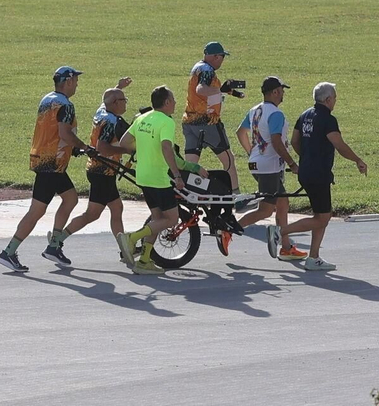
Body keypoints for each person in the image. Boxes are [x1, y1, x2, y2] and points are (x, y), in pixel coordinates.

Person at [0, 66, 96, 272]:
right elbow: (65, 134)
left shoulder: (47, 100)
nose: (77, 84)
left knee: (71, 198)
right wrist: (84, 147)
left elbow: (51, 132)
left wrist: (73, 149)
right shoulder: (66, 105)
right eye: (76, 80)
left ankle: (54, 246)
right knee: (37, 211)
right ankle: (8, 252)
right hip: (52, 164)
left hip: (46, 159)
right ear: (68, 82)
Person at [283, 81, 367, 271]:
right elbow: (339, 145)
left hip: (306, 170)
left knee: (322, 214)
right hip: (318, 173)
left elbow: (295, 141)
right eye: (335, 97)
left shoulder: (304, 115)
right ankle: (282, 232)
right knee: (322, 218)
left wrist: (306, 156)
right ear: (328, 99)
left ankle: (313, 257)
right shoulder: (328, 119)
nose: (335, 100)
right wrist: (357, 160)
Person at [60, 83, 137, 264]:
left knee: (117, 208)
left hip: (100, 171)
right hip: (101, 171)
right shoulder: (111, 121)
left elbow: (105, 100)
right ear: (114, 103)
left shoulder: (101, 111)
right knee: (92, 214)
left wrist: (118, 87)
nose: (125, 103)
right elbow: (103, 148)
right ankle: (57, 240)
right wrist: (125, 151)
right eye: (123, 100)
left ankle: (124, 250)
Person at [114, 86, 187, 275]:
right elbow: (166, 148)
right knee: (172, 218)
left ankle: (145, 261)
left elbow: (124, 142)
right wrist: (177, 175)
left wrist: (143, 147)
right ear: (167, 102)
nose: (176, 103)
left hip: (143, 176)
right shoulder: (167, 122)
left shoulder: (142, 118)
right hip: (158, 177)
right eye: (173, 99)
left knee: (157, 219)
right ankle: (131, 238)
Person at [233, 77, 308, 260]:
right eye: (282, 90)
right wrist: (292, 163)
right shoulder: (276, 114)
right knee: (266, 209)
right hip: (269, 167)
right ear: (275, 92)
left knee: (282, 204)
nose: (283, 94)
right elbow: (276, 141)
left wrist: (252, 152)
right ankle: (230, 229)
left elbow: (240, 132)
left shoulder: (254, 110)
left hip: (258, 164)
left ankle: (286, 246)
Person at [182, 41, 242, 198]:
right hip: (208, 123)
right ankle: (235, 196)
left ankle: (190, 194)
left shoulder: (198, 67)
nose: (222, 60)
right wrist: (221, 90)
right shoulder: (208, 70)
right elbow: (201, 89)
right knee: (228, 160)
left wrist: (231, 92)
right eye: (222, 57)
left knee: (192, 163)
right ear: (215, 56)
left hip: (189, 121)